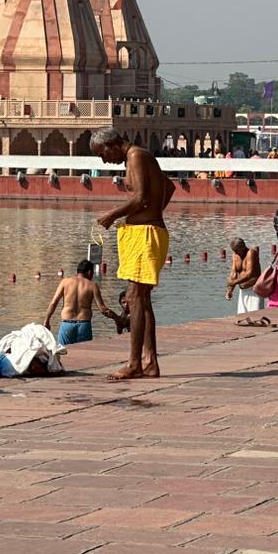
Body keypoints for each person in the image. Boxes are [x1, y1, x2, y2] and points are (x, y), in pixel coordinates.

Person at [94, 126, 176, 380]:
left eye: (102, 154)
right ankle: (149, 361)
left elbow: (140, 196)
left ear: (110, 144)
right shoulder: (138, 157)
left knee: (134, 299)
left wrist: (113, 214)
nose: (105, 160)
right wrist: (151, 213)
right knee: (142, 300)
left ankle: (134, 364)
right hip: (143, 231)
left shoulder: (136, 156)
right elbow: (169, 187)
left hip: (145, 235)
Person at [43, 260, 124, 344]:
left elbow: (53, 303)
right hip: (84, 325)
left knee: (64, 353)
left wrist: (47, 320)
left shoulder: (65, 282)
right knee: (84, 354)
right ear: (89, 272)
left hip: (67, 324)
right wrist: (117, 318)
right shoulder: (92, 285)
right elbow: (103, 309)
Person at [226, 238, 266, 313]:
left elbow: (249, 274)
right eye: (234, 251)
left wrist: (234, 282)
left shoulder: (251, 253)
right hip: (243, 291)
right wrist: (230, 290)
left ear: (243, 246)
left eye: (237, 251)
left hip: (254, 291)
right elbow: (233, 274)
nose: (236, 253)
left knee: (256, 317)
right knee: (242, 317)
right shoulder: (235, 255)